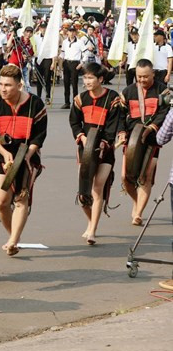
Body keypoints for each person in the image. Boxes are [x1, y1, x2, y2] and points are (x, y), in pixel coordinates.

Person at [0, 64, 47, 256]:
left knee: (20, 198)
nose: (3, 89)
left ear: (19, 85)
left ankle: (12, 241)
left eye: (8, 85)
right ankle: (14, 236)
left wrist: (26, 156)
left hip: (27, 156)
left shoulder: (35, 104)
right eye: (1, 84)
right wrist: (3, 152)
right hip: (3, 156)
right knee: (2, 202)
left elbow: (39, 136)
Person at [69, 62, 122, 245]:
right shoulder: (80, 99)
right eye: (85, 77)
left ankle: (92, 230)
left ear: (100, 79)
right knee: (84, 194)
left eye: (91, 77)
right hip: (85, 149)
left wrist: (104, 143)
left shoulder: (112, 98)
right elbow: (74, 122)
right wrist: (82, 137)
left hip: (105, 150)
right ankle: (91, 221)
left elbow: (112, 126)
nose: (87, 81)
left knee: (97, 188)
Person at [118, 59, 169, 225]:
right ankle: (137, 200)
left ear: (153, 73)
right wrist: (122, 132)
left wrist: (151, 128)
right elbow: (120, 115)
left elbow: (165, 113)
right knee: (125, 177)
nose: (142, 80)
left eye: (145, 76)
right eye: (139, 76)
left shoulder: (163, 91)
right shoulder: (128, 92)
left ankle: (138, 213)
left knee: (146, 177)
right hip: (132, 139)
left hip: (153, 139)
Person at [60, 25, 82, 108]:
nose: (72, 33)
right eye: (70, 31)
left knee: (74, 83)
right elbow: (63, 52)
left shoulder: (79, 42)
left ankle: (75, 102)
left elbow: (85, 53)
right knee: (66, 83)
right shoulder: (65, 42)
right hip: (66, 63)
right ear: (68, 32)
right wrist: (58, 57)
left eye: (73, 31)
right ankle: (67, 102)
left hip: (75, 63)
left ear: (75, 32)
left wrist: (81, 63)